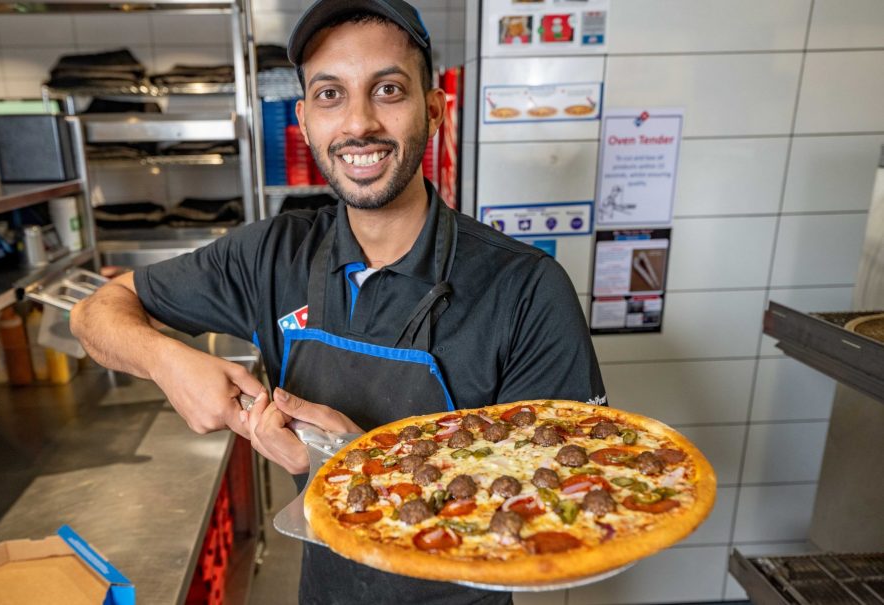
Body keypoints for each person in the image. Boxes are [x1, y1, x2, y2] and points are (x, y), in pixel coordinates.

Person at [70, 0, 606, 603]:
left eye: (388, 90)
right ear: (303, 119)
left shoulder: (526, 288)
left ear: (433, 110)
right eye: (330, 95)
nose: (358, 124)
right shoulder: (272, 253)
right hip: (326, 589)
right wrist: (169, 364)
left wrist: (362, 466)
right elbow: (95, 313)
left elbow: (566, 507)